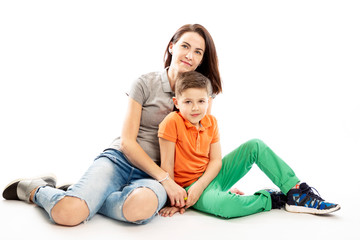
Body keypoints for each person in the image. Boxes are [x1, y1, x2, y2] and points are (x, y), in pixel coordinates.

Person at [2, 24, 222, 225]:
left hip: (155, 177)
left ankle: (87, 197)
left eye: (198, 52)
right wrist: (165, 178)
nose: (189, 55)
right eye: (185, 46)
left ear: (201, 60)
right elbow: (127, 142)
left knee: (140, 208)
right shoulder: (144, 83)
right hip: (120, 161)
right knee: (67, 214)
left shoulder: (204, 95)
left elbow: (200, 149)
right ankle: (37, 189)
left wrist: (215, 188)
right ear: (172, 47)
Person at [158, 71, 340, 218]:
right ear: (177, 103)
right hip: (188, 188)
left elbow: (215, 161)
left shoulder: (211, 122)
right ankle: (271, 199)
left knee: (255, 145)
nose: (195, 108)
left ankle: (295, 191)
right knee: (226, 206)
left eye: (201, 101)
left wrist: (202, 185)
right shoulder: (172, 122)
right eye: (188, 102)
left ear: (209, 101)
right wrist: (176, 200)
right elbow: (167, 167)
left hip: (211, 177)